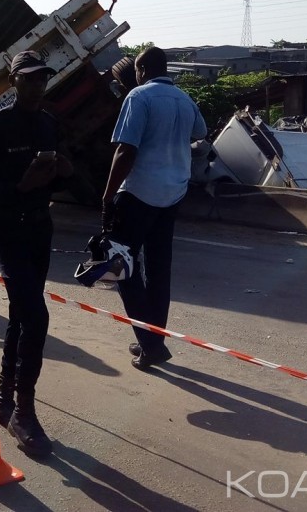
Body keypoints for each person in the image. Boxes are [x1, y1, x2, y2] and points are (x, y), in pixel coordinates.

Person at [0, 50, 73, 458]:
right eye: (28, 79)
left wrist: (63, 173)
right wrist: (18, 188)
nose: (37, 85)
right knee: (36, 316)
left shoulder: (49, 123)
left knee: (21, 313)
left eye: (42, 78)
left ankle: (4, 398)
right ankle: (23, 414)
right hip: (7, 229)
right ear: (13, 82)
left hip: (39, 227)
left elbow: (58, 180)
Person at [102, 46, 208, 371]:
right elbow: (200, 133)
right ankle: (152, 339)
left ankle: (150, 345)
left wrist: (107, 196)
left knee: (121, 266)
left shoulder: (139, 96)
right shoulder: (185, 100)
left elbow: (125, 151)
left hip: (138, 193)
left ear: (143, 70)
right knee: (159, 271)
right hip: (173, 195)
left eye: (137, 70)